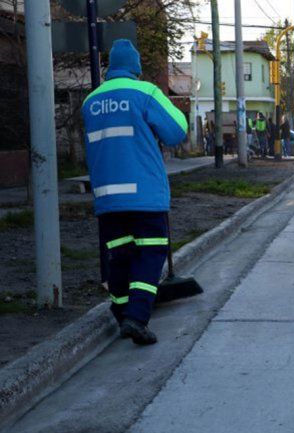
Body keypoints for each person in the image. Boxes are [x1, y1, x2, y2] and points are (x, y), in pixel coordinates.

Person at [81, 39, 187, 344]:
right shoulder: (145, 93)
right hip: (145, 195)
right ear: (136, 67)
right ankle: (137, 317)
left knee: (121, 256)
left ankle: (122, 313)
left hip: (108, 199)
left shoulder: (91, 101)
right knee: (151, 253)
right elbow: (177, 129)